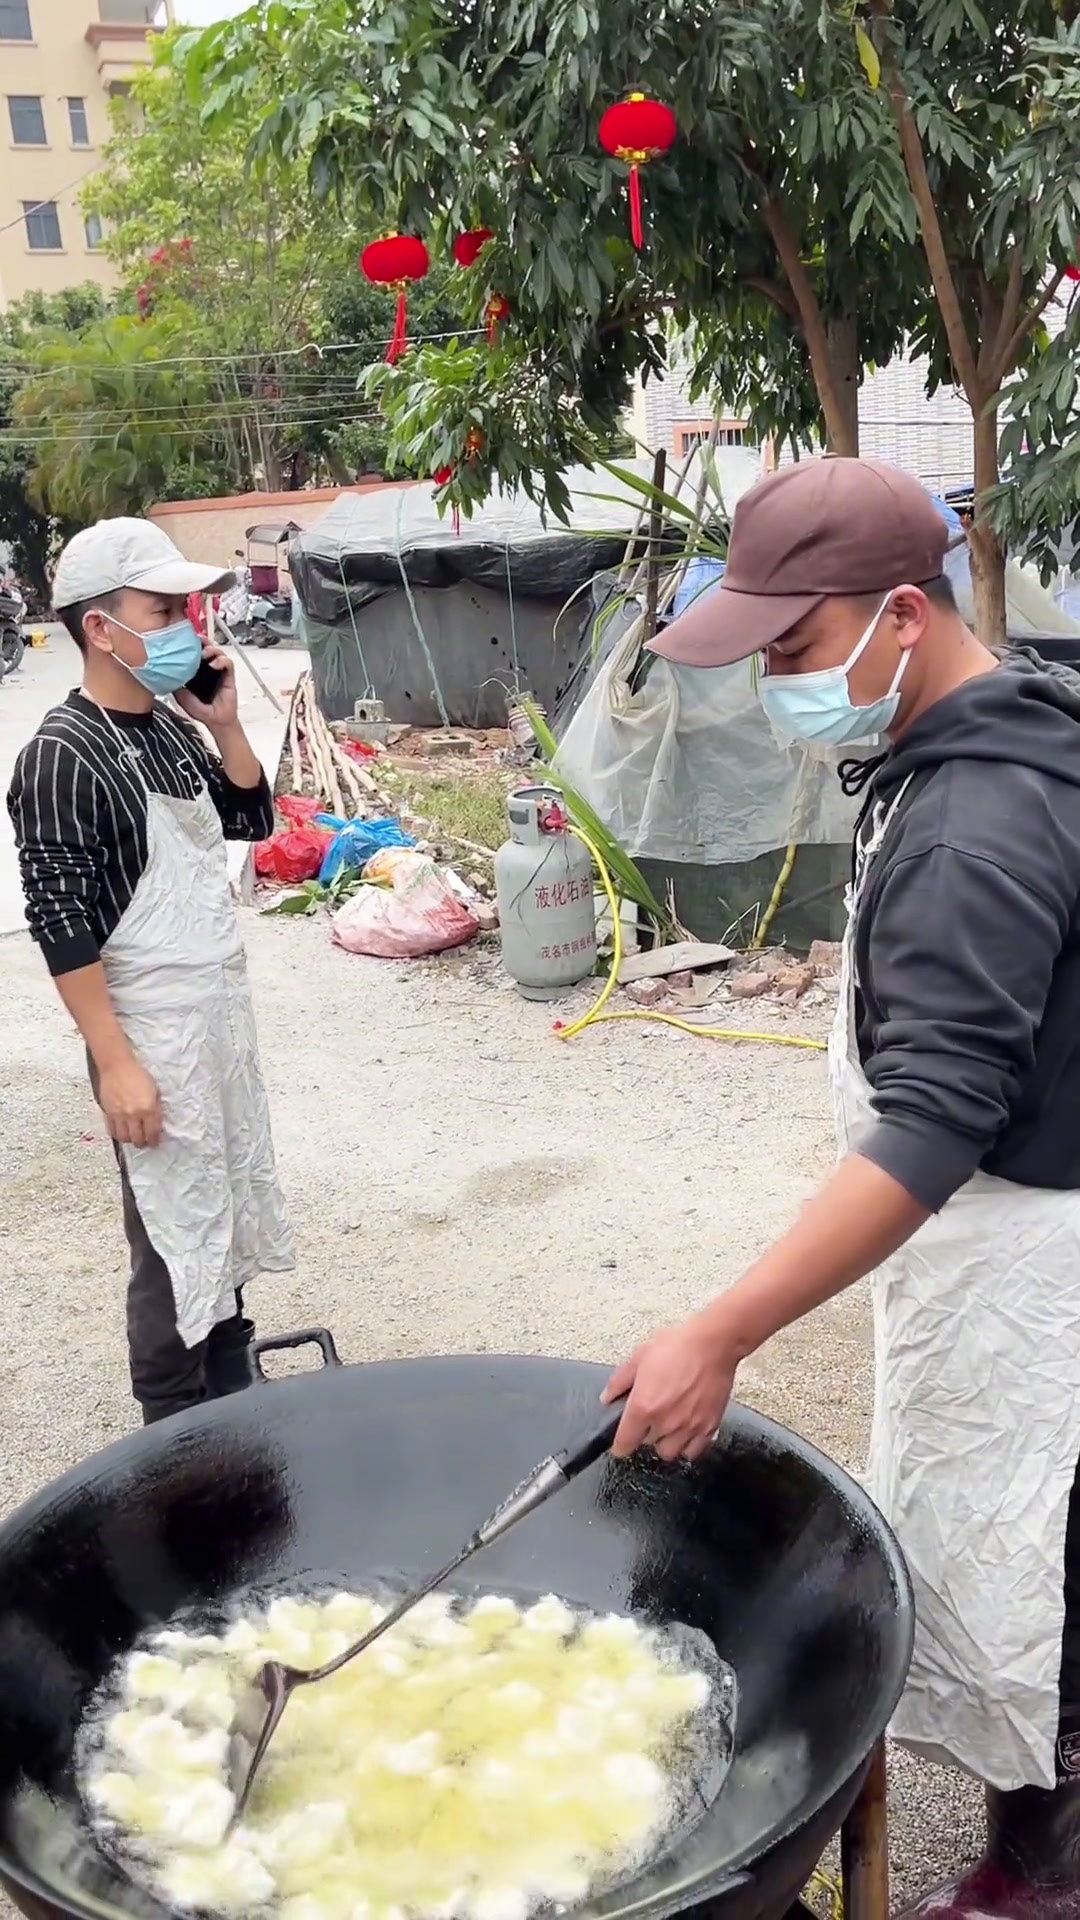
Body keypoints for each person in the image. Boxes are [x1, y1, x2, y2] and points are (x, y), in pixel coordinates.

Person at [603, 456, 1080, 1920]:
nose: (772, 689)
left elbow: (936, 1123)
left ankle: (1044, 1872)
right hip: (1008, 1213)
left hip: (1022, 1242)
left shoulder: (975, 827)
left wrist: (722, 1329)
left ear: (901, 616)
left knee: (1027, 1544)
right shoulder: (988, 724)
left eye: (793, 653)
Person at [7, 518, 295, 1425]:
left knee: (226, 1200)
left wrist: (226, 723)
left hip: (211, 1016)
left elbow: (251, 821)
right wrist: (115, 1061)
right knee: (170, 1225)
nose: (188, 627)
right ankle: (172, 1425)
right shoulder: (61, 754)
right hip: (145, 1027)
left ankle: (230, 1372)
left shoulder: (170, 732)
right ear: (101, 628)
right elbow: (60, 922)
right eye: (164, 610)